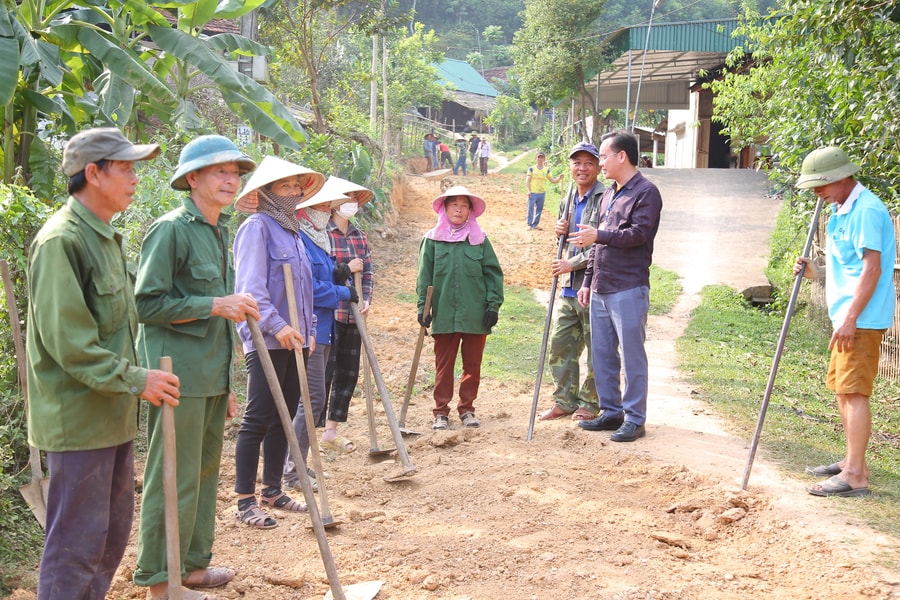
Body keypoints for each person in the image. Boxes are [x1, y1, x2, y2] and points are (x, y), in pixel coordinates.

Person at [26, 127, 181, 600]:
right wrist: (138, 379)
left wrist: (137, 382)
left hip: (111, 418)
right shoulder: (61, 242)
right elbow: (71, 345)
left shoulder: (105, 237)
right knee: (75, 548)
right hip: (78, 423)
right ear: (93, 174)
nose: (135, 178)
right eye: (127, 168)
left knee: (108, 541)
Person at [133, 135, 260, 599]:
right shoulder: (171, 229)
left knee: (205, 474)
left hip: (209, 375)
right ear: (192, 179)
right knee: (171, 474)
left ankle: (190, 566)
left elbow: (220, 317)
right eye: (219, 172)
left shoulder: (217, 229)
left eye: (235, 173)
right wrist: (215, 304)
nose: (231, 180)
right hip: (175, 375)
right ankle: (158, 580)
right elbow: (147, 304)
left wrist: (227, 385)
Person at [794, 146, 895, 497]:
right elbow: (848, 266)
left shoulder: (865, 210)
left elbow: (872, 268)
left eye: (820, 185)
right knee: (842, 388)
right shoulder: (841, 210)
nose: (816, 192)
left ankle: (854, 475)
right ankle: (855, 462)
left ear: (841, 177)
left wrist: (851, 318)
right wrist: (815, 272)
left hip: (861, 317)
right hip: (846, 314)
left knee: (854, 391)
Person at [232, 156, 326, 528]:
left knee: (284, 416)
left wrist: (310, 330)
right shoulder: (256, 228)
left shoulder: (293, 233)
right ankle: (244, 499)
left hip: (298, 340)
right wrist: (278, 325)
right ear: (267, 192)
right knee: (258, 417)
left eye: (296, 186)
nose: (293, 192)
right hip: (268, 338)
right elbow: (250, 288)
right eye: (285, 186)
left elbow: (303, 292)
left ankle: (272, 489)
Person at [571, 129, 663, 442]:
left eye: (604, 156)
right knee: (602, 353)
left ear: (621, 156)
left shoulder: (646, 192)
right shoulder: (611, 192)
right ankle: (611, 411)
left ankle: (635, 418)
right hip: (601, 285)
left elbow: (638, 235)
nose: (600, 163)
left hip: (628, 285)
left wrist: (600, 235)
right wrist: (587, 280)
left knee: (632, 355)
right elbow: (596, 242)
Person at [282, 179, 359, 489]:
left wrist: (336, 272)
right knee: (312, 400)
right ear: (306, 209)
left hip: (325, 330)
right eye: (323, 204)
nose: (328, 210)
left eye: (330, 205)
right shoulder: (301, 239)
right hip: (310, 330)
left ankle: (294, 466)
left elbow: (320, 276)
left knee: (313, 400)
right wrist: (342, 290)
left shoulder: (319, 240)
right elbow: (307, 289)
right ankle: (291, 470)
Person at [416, 185, 504, 430]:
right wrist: (423, 309)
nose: (458, 209)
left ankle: (467, 409)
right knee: (443, 366)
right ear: (445, 208)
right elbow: (424, 278)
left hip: (475, 314)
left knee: (472, 365)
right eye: (453, 204)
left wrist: (493, 306)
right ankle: (440, 412)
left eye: (464, 205)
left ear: (470, 211)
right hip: (444, 313)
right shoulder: (432, 240)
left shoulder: (480, 240)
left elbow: (493, 275)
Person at [539, 142, 604, 422]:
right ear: (570, 166)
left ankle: (590, 403)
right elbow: (565, 241)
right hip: (568, 287)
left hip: (593, 286)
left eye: (589, 163)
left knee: (596, 347)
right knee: (560, 343)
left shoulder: (605, 197)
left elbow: (604, 244)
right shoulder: (568, 196)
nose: (582, 168)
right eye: (577, 163)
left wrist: (572, 263)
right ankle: (564, 400)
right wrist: (558, 232)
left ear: (599, 167)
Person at [318, 177, 375, 453]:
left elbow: (369, 272)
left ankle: (332, 430)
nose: (351, 203)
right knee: (324, 373)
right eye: (347, 197)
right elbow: (320, 273)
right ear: (333, 203)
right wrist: (345, 266)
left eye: (355, 198)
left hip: (355, 315)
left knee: (348, 373)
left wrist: (366, 300)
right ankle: (313, 430)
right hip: (330, 313)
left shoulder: (360, 236)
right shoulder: (322, 234)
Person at [525, 151, 563, 230]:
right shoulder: (531, 169)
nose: (540, 159)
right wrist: (528, 190)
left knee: (539, 209)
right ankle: (529, 224)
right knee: (530, 208)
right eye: (539, 157)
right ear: (536, 158)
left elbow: (552, 180)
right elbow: (528, 180)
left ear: (544, 159)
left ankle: (535, 224)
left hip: (542, 193)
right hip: (532, 192)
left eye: (542, 157)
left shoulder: (546, 170)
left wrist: (559, 178)